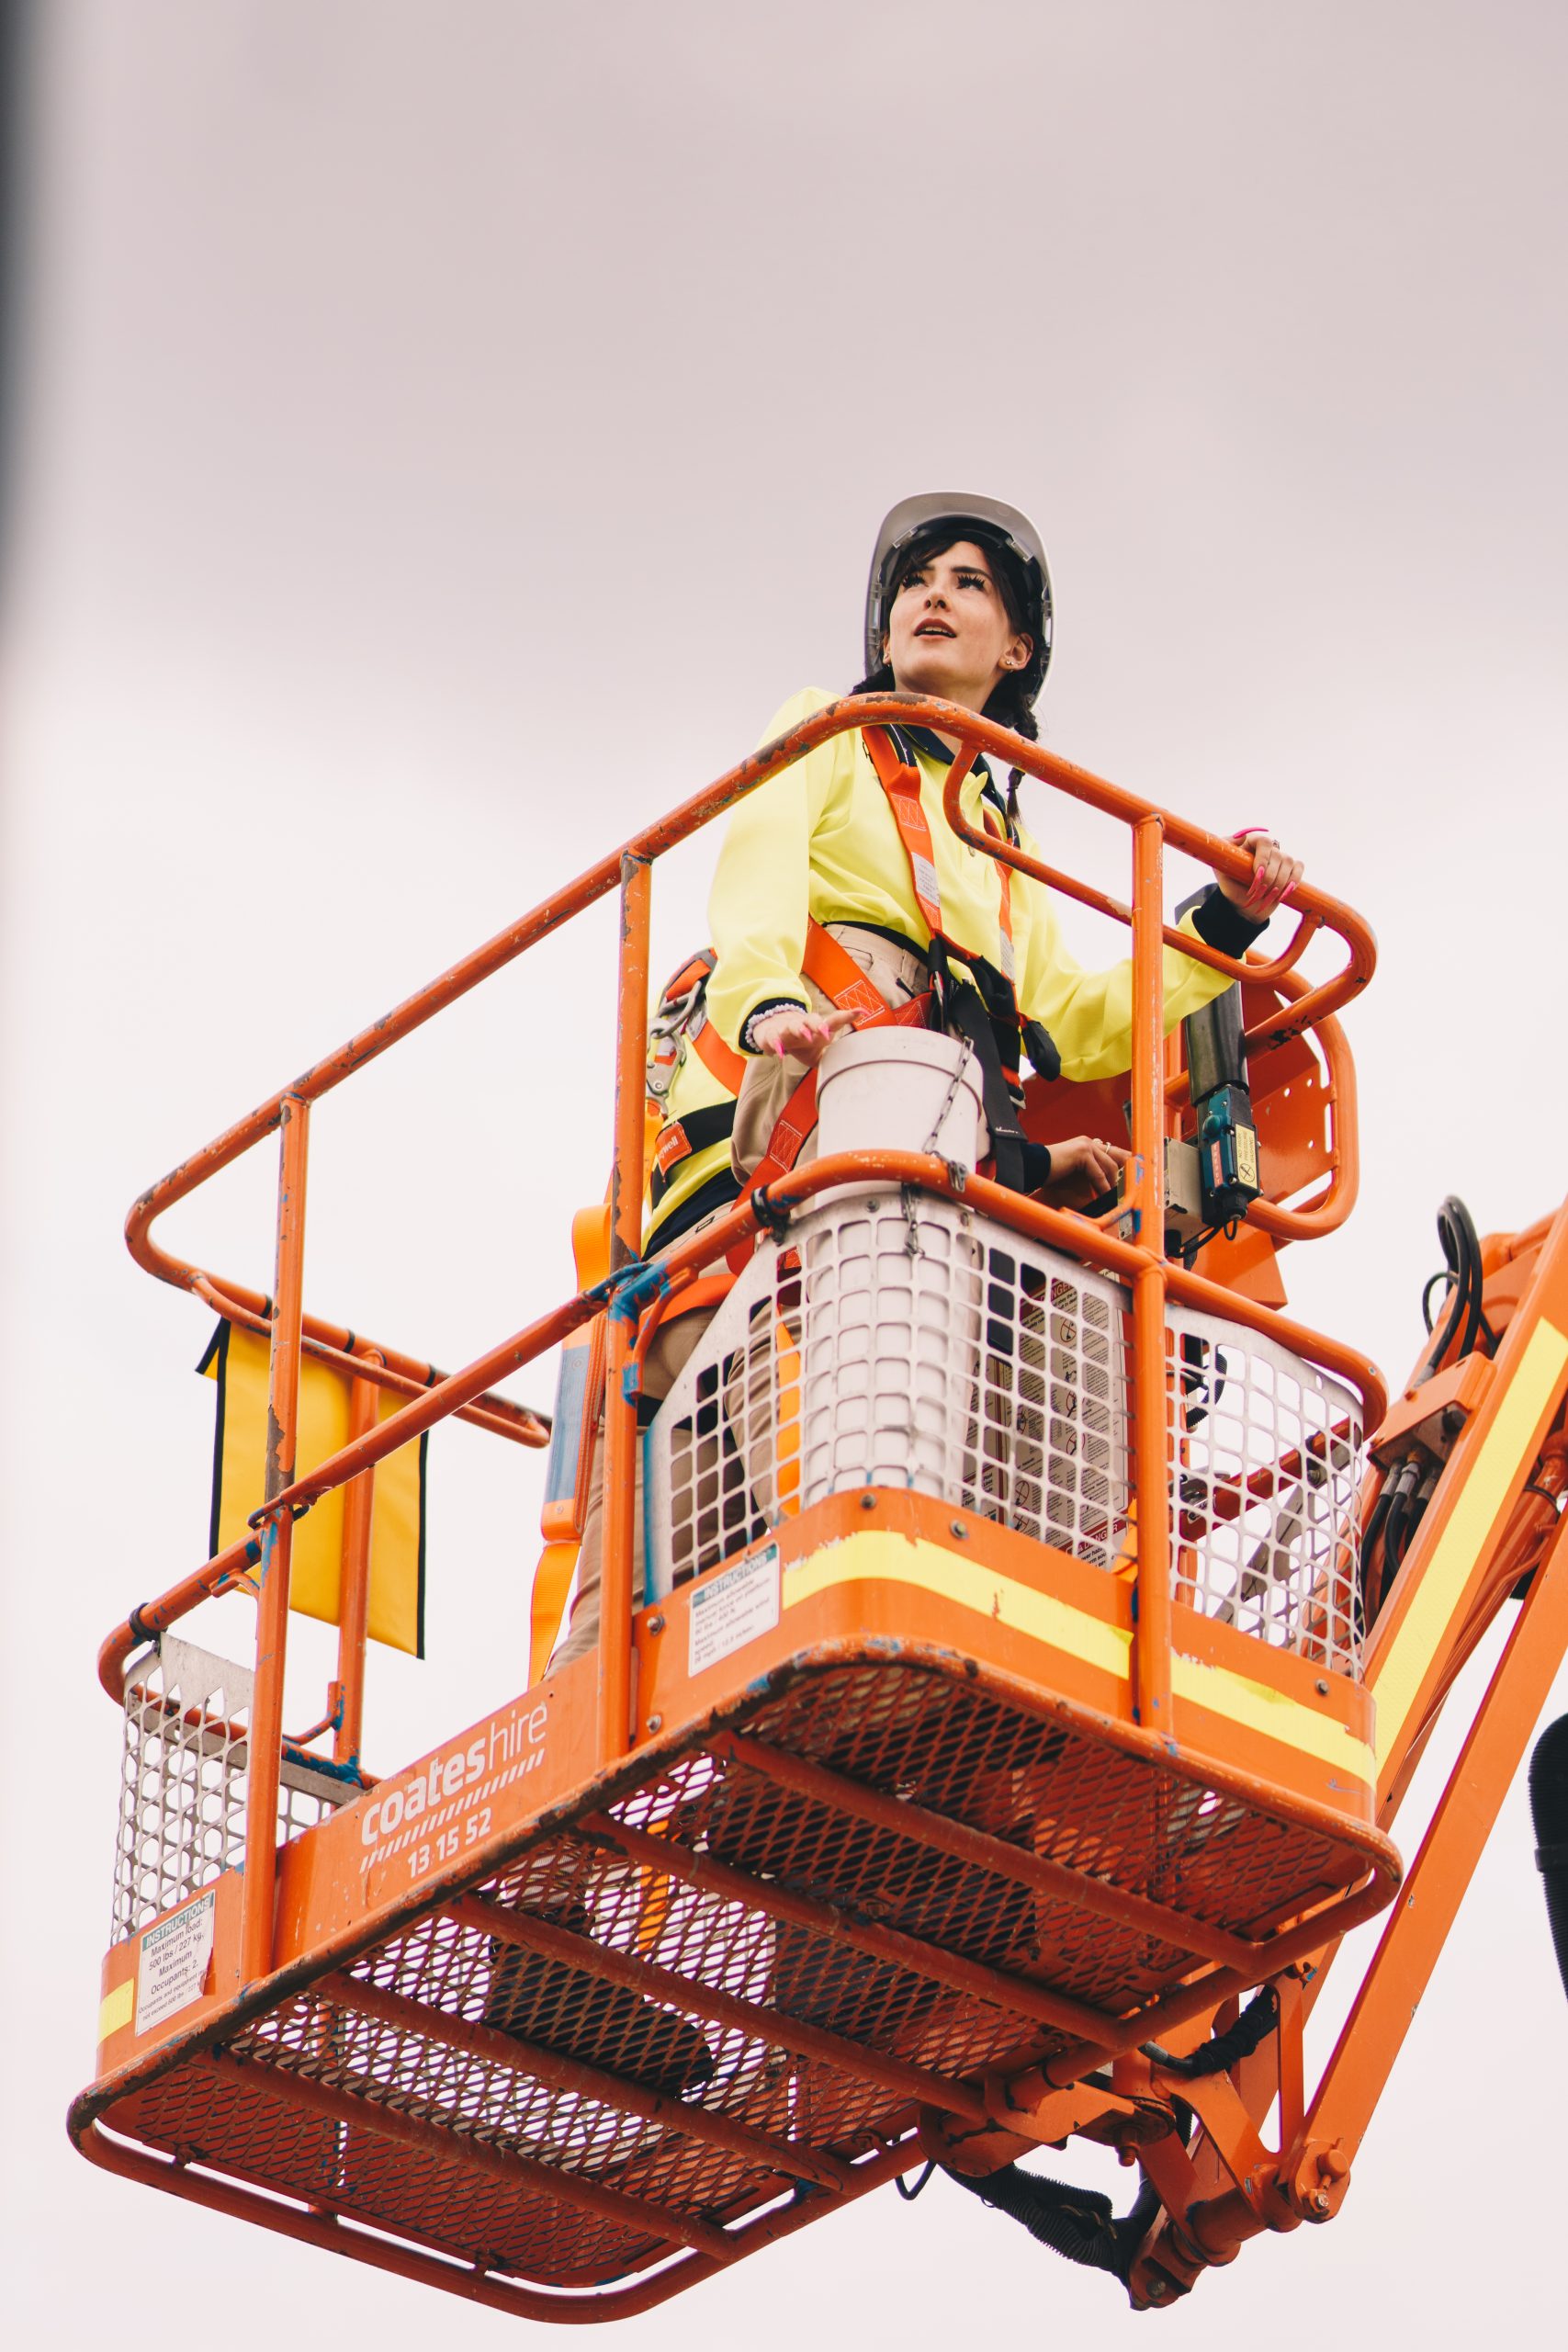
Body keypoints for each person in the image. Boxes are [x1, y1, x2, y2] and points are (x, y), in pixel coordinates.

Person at [551, 492, 1301, 1668]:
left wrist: (1224, 922)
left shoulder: (997, 836)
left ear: (1017, 651)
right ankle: (613, 1671)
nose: (933, 597)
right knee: (678, 1531)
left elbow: (1079, 1022)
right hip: (774, 1148)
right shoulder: (829, 731)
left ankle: (987, 1613)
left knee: (987, 1378)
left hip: (908, 1175)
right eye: (917, 581)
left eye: (968, 584)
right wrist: (769, 1005)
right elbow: (756, 875)